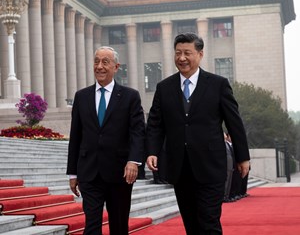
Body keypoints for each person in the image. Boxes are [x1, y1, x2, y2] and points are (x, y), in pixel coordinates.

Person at [146, 32, 250, 235]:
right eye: (178, 53)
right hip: (179, 168)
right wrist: (152, 151)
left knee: (209, 221)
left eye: (187, 53)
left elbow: (234, 122)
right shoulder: (164, 87)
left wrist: (243, 157)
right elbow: (155, 124)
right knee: (191, 223)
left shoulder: (218, 84)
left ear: (200, 54)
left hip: (211, 166)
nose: (182, 58)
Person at [66, 46, 145, 235]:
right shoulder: (81, 96)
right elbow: (75, 135)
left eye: (105, 62)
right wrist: (72, 173)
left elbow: (138, 132)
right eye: (96, 61)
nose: (99, 66)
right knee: (91, 225)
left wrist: (133, 160)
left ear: (116, 67)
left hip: (120, 173)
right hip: (89, 172)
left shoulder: (130, 96)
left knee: (118, 225)